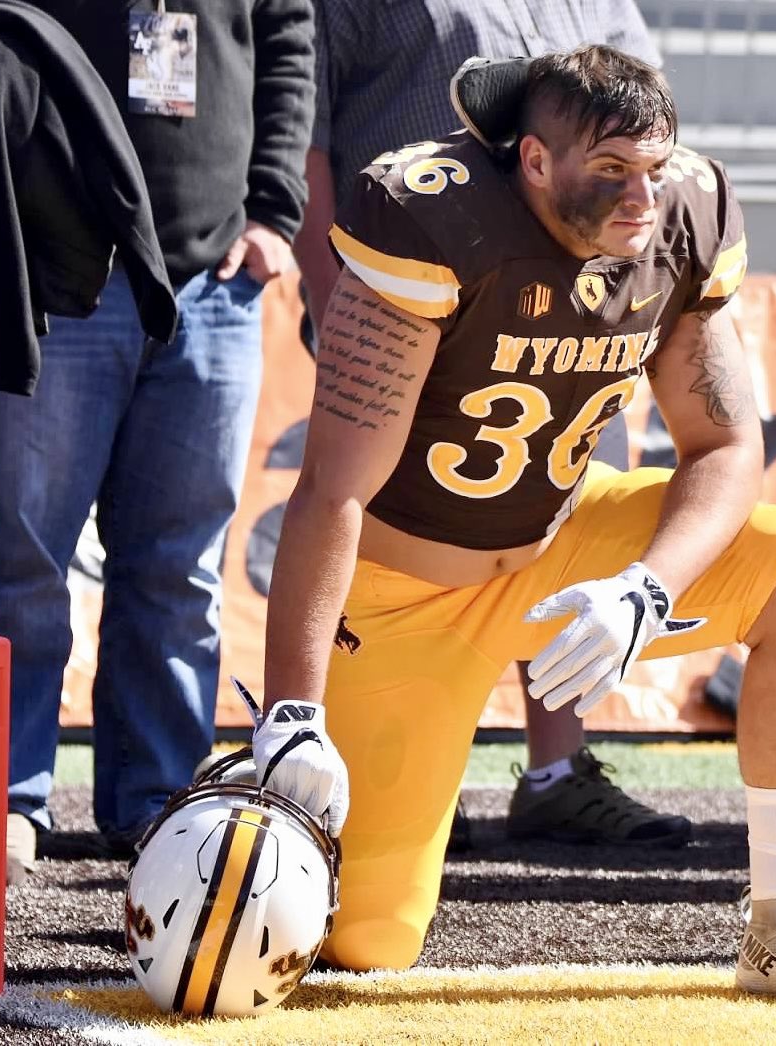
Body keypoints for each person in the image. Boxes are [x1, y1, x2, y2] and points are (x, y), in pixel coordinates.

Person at [251, 46, 776, 1007]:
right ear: (532, 161)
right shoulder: (435, 215)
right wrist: (293, 713)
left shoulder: (684, 213)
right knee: (360, 941)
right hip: (400, 595)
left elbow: (726, 447)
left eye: (653, 169)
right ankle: (249, 768)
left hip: (557, 550)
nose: (642, 197)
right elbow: (330, 492)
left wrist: (646, 586)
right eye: (610, 172)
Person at [292, 0, 691, 849]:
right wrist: (336, 295)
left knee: (557, 517)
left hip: (579, 307)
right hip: (418, 295)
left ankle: (559, 768)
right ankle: (371, 763)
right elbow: (308, 135)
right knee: (385, 516)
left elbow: (646, 114)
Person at [0, 0, 316, 875]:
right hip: (59, 272)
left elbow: (288, 42)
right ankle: (7, 797)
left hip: (212, 280)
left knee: (179, 564)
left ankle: (157, 802)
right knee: (24, 558)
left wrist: (274, 210)